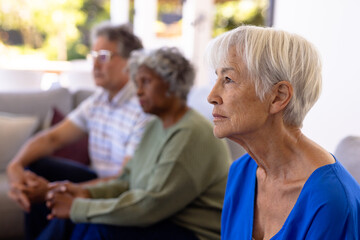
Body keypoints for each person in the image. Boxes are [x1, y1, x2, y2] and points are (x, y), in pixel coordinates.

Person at [37, 47, 231, 240]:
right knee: (73, 217)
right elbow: (126, 181)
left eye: (145, 82)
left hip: (191, 232)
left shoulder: (190, 133)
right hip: (162, 221)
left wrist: (77, 207)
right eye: (137, 83)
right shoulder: (154, 125)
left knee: (95, 226)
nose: (138, 91)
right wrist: (84, 192)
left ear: (173, 83)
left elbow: (151, 206)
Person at [206, 25, 360, 239]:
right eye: (217, 79)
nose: (212, 96)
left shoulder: (331, 200)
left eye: (228, 80)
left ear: (278, 96)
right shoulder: (241, 172)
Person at [6, 21, 151, 239]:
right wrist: (15, 166)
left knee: (62, 203)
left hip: (120, 192)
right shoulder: (99, 101)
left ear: (131, 63)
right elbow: (52, 138)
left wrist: (54, 191)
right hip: (99, 179)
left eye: (103, 56)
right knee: (36, 166)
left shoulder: (144, 109)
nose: (94, 66)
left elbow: (124, 180)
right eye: (93, 57)